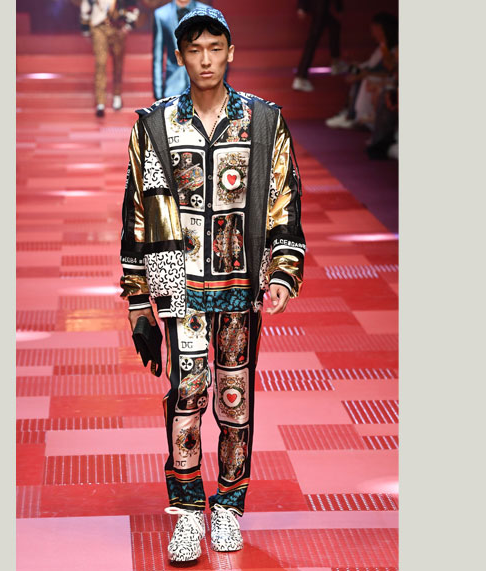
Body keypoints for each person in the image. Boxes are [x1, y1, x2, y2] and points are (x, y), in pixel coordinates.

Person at [117, 6, 306, 563]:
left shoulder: (264, 122)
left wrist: (282, 270)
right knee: (186, 396)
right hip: (179, 287)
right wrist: (138, 301)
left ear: (230, 53)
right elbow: (138, 212)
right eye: (194, 49)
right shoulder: (154, 127)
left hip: (240, 287)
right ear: (180, 56)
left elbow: (284, 197)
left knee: (235, 399)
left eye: (215, 48)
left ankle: (228, 508)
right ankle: (187, 513)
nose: (205, 59)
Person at [325, 12, 398, 130]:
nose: (373, 32)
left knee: (366, 80)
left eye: (375, 29)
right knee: (357, 74)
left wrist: (363, 74)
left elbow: (390, 71)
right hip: (375, 75)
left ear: (383, 30)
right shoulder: (381, 47)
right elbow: (368, 65)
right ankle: (350, 113)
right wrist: (353, 66)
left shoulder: (392, 49)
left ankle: (356, 116)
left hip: (387, 80)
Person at [80, 0, 140, 117]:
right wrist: (86, 29)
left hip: (118, 28)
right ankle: (100, 102)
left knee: (118, 62)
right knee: (100, 63)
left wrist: (128, 25)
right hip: (99, 27)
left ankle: (117, 95)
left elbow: (133, 6)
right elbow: (86, 6)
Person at [152, 0, 207, 101]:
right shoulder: (161, 14)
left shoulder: (206, 11)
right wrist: (158, 94)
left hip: (202, 82)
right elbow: (158, 55)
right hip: (173, 84)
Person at [292, 0, 345, 92]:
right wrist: (339, 8)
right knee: (313, 39)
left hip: (320, 6)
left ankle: (335, 62)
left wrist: (302, 7)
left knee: (333, 27)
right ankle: (301, 77)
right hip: (320, 6)